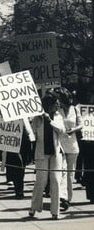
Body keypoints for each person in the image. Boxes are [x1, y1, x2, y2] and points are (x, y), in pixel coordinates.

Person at [29, 92, 66, 220]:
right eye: (55, 103)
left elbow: (62, 131)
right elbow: (32, 134)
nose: (58, 105)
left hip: (56, 153)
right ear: (49, 105)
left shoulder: (58, 116)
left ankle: (55, 212)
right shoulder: (38, 118)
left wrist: (50, 121)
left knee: (56, 181)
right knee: (41, 181)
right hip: (41, 153)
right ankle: (34, 207)